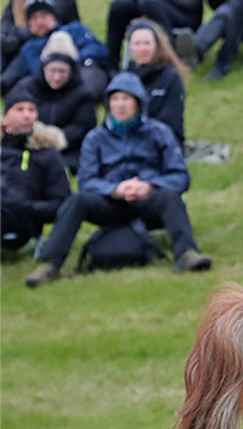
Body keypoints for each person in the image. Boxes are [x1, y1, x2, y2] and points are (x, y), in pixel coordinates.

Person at [25, 72, 211, 287]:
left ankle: (186, 255)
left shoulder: (160, 132)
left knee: (170, 197)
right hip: (110, 202)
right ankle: (51, 265)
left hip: (148, 201)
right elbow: (87, 180)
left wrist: (149, 185)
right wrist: (116, 189)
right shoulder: (95, 138)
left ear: (138, 103)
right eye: (115, 99)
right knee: (76, 200)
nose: (120, 105)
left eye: (126, 99)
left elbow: (180, 176)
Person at [7, 30, 96, 172]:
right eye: (52, 71)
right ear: (44, 69)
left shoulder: (82, 93)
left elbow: (84, 126)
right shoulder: (26, 88)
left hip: (69, 149)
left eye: (62, 71)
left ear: (71, 71)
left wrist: (55, 138)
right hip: (29, 143)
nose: (56, 77)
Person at [1, 86, 71, 251]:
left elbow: (62, 204)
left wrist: (26, 207)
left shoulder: (47, 155)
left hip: (21, 219)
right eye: (19, 109)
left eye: (31, 109)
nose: (26, 115)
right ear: (5, 118)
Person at [0, 0, 107, 99]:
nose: (39, 22)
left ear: (54, 17)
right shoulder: (29, 48)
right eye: (34, 19)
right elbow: (9, 77)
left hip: (79, 74)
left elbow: (98, 49)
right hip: (48, 86)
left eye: (43, 16)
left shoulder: (74, 30)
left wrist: (77, 61)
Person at [174, 0, 243, 82]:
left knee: (239, 4)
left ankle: (219, 63)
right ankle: (196, 49)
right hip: (240, 17)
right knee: (226, 12)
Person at [125, 19, 187, 145]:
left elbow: (171, 121)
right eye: (137, 44)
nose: (142, 49)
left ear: (157, 46)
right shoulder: (125, 78)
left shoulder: (171, 77)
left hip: (163, 143)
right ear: (130, 47)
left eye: (147, 43)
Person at [105, 0, 201, 73]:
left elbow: (190, 4)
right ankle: (112, 67)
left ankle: (167, 61)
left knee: (149, 4)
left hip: (184, 13)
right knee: (120, 5)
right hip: (147, 7)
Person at [1, 0, 79, 73]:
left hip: (50, 41)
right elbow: (6, 20)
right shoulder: (17, 2)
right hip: (21, 40)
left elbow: (69, 22)